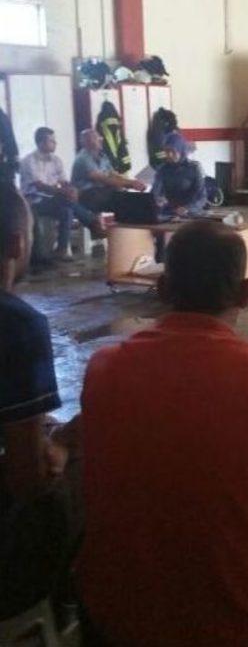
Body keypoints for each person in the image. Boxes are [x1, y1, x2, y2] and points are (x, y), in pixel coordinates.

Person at [77, 221, 248, 646]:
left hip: (118, 610)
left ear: (163, 288)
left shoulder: (104, 370)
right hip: (233, 616)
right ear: (245, 293)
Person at [0, 182, 70, 620]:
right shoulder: (18, 326)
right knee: (77, 482)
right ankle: (65, 606)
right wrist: (63, 444)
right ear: (17, 242)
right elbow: (27, 480)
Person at [20, 127, 105, 262]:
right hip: (34, 201)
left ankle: (62, 249)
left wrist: (71, 189)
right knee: (65, 200)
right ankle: (92, 222)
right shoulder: (28, 161)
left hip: (54, 200)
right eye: (51, 141)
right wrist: (63, 192)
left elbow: (64, 182)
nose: (55, 143)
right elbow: (40, 187)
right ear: (41, 142)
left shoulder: (56, 160)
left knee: (67, 209)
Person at [71, 129, 145, 214]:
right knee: (117, 197)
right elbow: (103, 179)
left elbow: (113, 175)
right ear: (85, 142)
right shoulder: (82, 158)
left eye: (99, 137)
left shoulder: (103, 156)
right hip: (86, 193)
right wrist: (129, 184)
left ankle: (125, 222)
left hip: (101, 190)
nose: (100, 139)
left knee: (123, 193)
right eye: (95, 137)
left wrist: (132, 182)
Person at [152, 131, 206, 220]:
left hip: (190, 214)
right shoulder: (162, 169)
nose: (169, 155)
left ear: (181, 150)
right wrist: (158, 200)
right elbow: (155, 192)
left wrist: (188, 208)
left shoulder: (193, 168)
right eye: (166, 151)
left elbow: (202, 197)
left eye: (173, 151)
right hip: (168, 214)